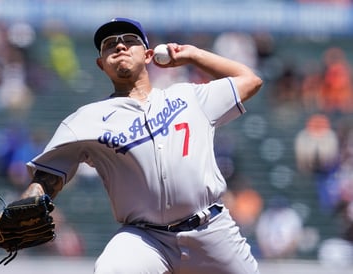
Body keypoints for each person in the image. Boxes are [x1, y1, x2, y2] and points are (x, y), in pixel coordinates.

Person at [19, 17, 262, 274]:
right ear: (101, 64)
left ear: (148, 55)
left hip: (211, 230)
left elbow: (250, 80)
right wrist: (35, 193)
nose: (120, 46)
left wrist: (193, 55)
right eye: (110, 44)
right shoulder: (86, 119)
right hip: (145, 240)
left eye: (130, 40)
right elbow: (49, 176)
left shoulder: (188, 96)